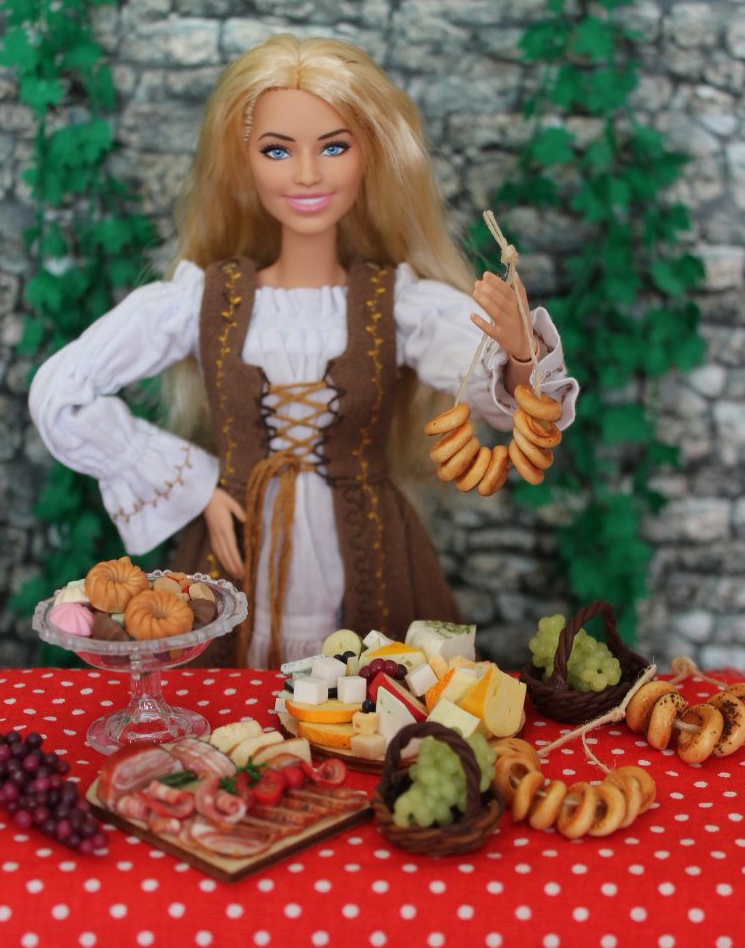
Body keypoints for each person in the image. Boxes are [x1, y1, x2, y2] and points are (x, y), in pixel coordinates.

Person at [29, 33, 578, 669]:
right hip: (235, 549)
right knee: (227, 704)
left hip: (373, 555)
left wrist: (519, 356)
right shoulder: (202, 300)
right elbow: (59, 395)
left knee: (379, 698)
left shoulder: (398, 303)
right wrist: (196, 483)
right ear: (243, 162)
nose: (308, 174)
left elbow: (516, 410)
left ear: (370, 156)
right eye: (277, 150)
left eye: (334, 147)